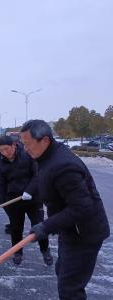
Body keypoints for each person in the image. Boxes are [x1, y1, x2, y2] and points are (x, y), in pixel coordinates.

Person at [20, 120, 110, 300]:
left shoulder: (63, 166)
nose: (25, 149)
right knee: (62, 271)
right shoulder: (46, 157)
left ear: (44, 140)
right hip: (70, 230)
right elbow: (43, 178)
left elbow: (82, 207)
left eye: (27, 144)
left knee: (70, 288)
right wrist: (29, 191)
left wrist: (45, 227)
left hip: (84, 234)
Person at [0, 136, 52, 265]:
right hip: (13, 200)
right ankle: (17, 252)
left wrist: (29, 191)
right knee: (16, 228)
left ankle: (45, 250)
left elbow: (37, 175)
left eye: (6, 149)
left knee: (39, 225)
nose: (4, 153)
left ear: (13, 145)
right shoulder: (0, 163)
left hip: (33, 199)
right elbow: (1, 184)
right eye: (1, 150)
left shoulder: (27, 155)